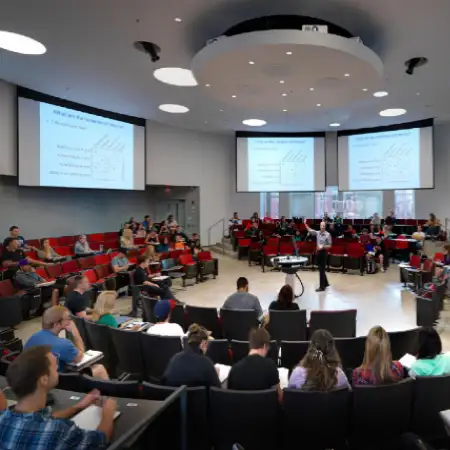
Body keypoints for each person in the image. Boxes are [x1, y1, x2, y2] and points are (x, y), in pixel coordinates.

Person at [0, 346, 116, 448]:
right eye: (55, 368)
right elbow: (100, 440)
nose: (57, 369)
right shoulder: (57, 431)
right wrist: (108, 412)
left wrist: (78, 406)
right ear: (44, 380)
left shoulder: (4, 417)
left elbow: (43, 418)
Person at [25, 306, 109, 378]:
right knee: (99, 368)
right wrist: (75, 333)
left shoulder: (33, 337)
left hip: (35, 381)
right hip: (58, 383)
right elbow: (80, 357)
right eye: (68, 319)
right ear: (56, 325)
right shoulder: (63, 344)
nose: (70, 321)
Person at [228, 328, 282, 401]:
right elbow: (279, 397)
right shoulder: (270, 366)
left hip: (241, 411)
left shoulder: (234, 369)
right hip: (266, 411)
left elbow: (230, 398)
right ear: (265, 345)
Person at [163, 323, 220, 387]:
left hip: (174, 395)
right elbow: (216, 389)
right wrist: (215, 375)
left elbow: (164, 380)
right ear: (203, 343)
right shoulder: (206, 363)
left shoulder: (175, 358)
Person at [304, 220, 332, 292]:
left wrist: (323, 247)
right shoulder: (317, 233)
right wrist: (305, 224)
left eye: (323, 226)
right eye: (321, 226)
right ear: (320, 226)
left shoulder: (328, 234)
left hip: (323, 253)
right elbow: (310, 230)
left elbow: (329, 245)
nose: (322, 227)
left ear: (325, 227)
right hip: (318, 252)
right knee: (321, 268)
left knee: (321, 270)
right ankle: (326, 283)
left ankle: (322, 287)